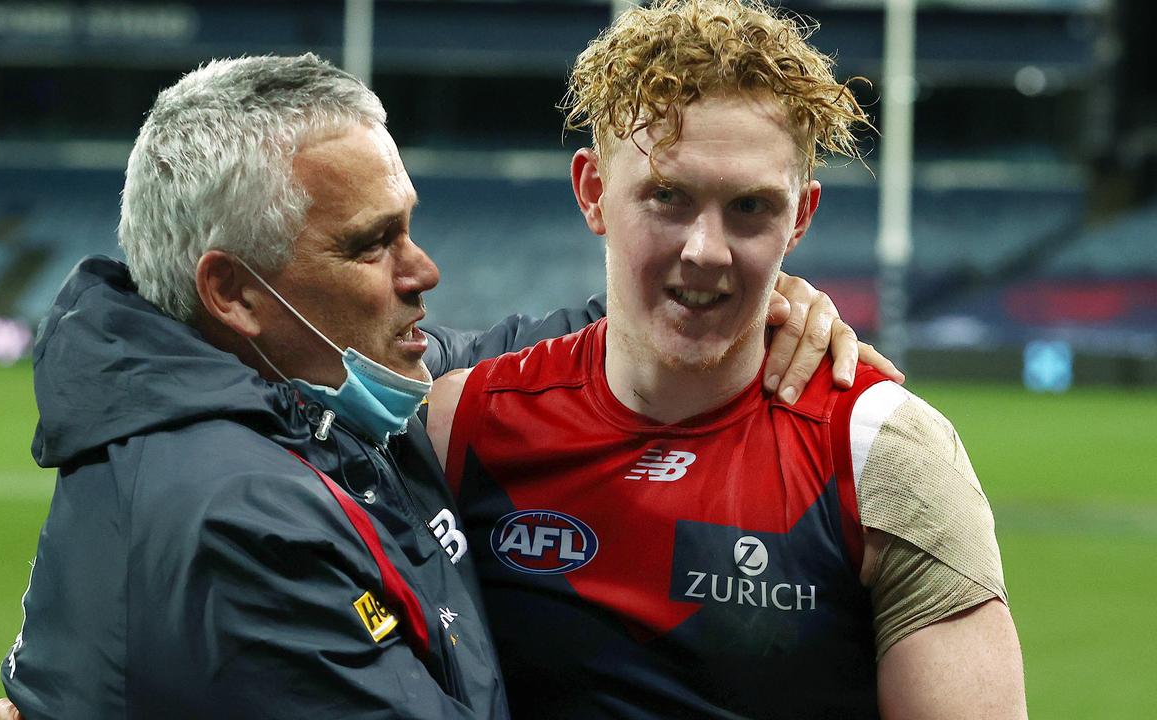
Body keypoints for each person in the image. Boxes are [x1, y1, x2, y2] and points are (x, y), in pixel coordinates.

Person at [0, 53, 882, 719]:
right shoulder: (234, 516)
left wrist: (723, 295)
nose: (424, 268)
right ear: (234, 293)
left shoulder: (305, 395)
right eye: (371, 245)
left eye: (408, 226)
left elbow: (527, 359)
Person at [429, 1, 1026, 718]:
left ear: (800, 218)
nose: (706, 250)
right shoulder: (462, 424)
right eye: (667, 196)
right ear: (593, 192)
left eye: (750, 207)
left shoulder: (885, 456)